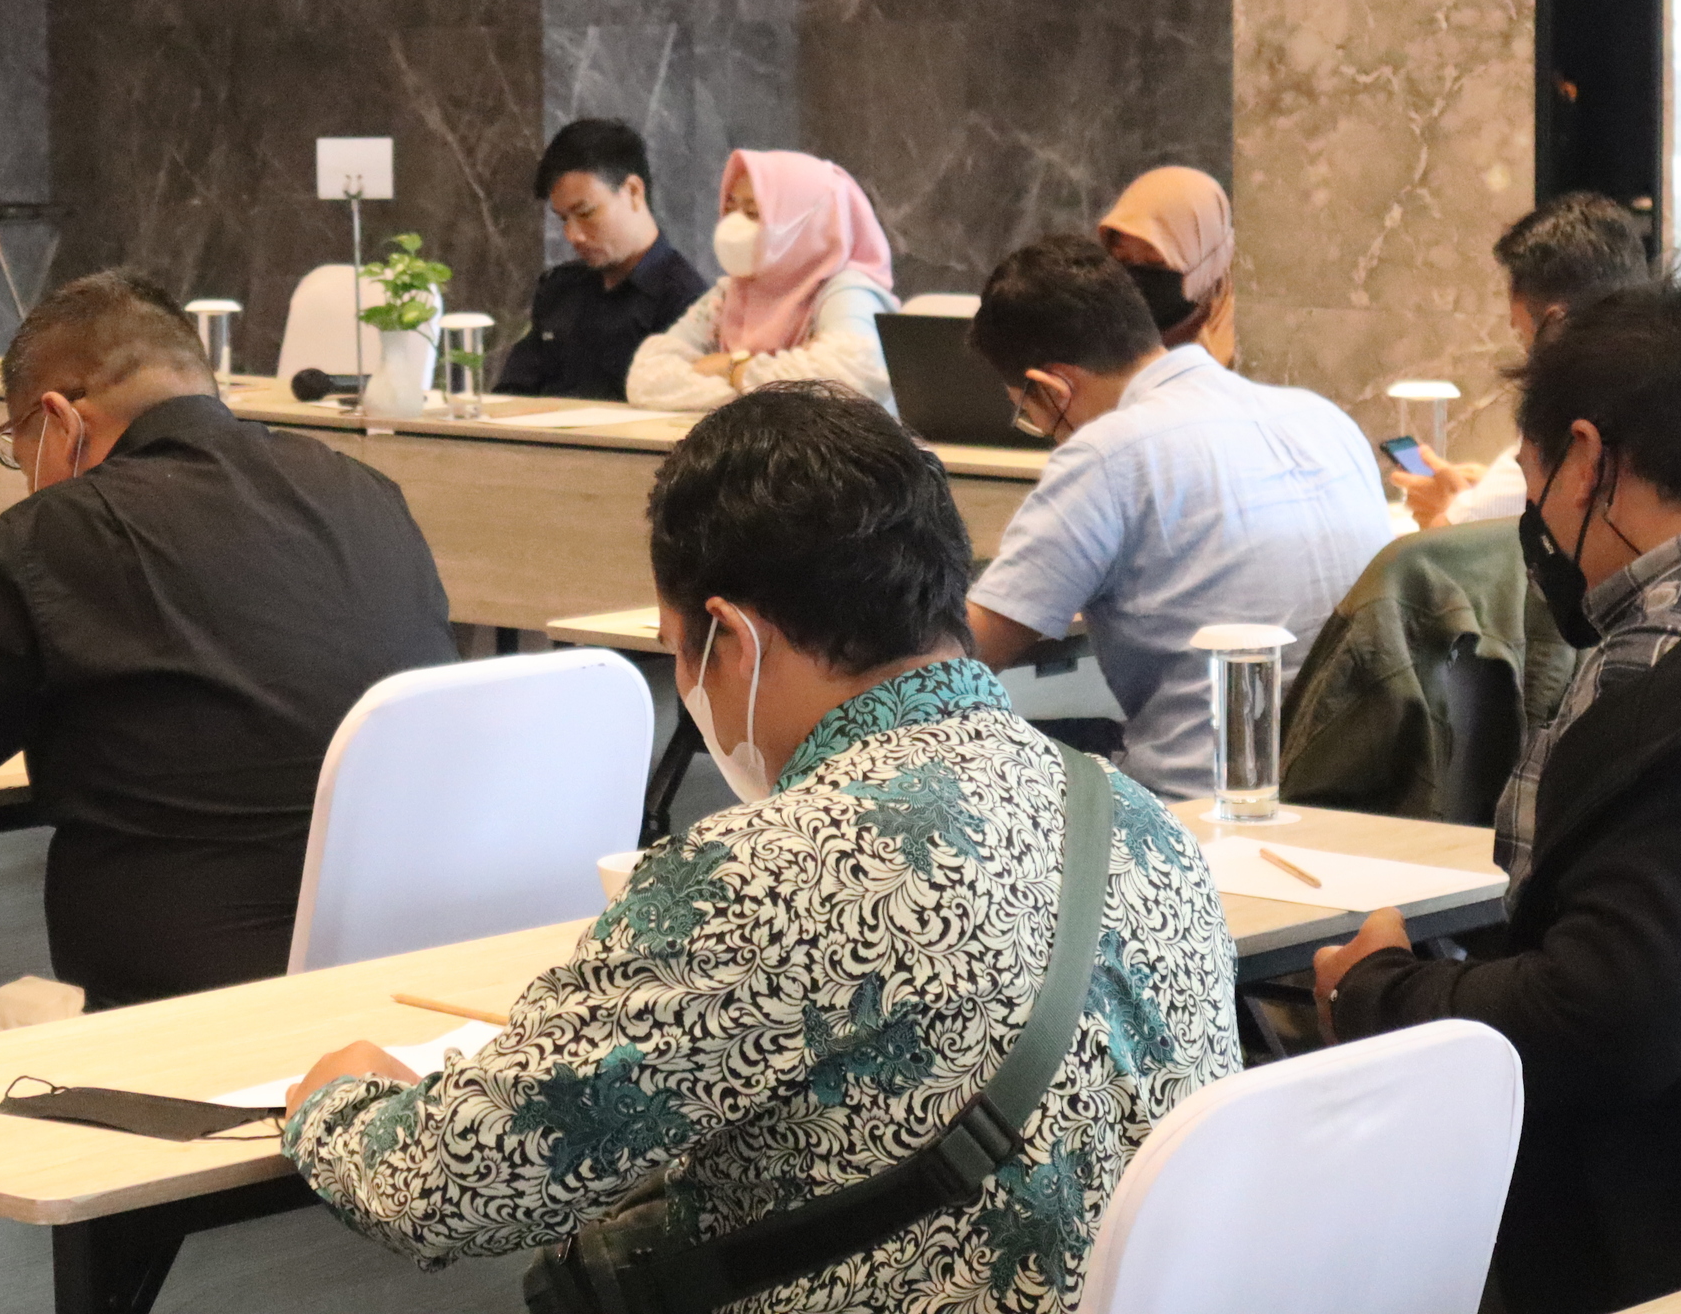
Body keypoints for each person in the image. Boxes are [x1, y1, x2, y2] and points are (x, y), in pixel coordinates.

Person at [281, 385, 1239, 1312]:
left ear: (733, 640)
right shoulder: (1137, 819)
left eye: (676, 647)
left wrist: (337, 1102)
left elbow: (455, 1184)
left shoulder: (770, 871)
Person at [1313, 280, 1681, 1314]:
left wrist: (1379, 991)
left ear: (1586, 458)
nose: (1535, 520)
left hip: (1664, 1240)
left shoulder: (1675, 663)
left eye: (1531, 480)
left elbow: (1612, 1014)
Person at [0, 270, 453, 1007]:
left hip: (175, 1023)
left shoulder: (61, 532)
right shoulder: (365, 492)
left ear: (59, 421)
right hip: (406, 985)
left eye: (19, 451)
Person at [963, 236, 1391, 801]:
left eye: (1029, 413)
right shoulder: (1324, 418)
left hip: (1201, 807)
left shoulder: (1107, 453)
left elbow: (964, 654)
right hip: (1362, 795)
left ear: (1053, 387)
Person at [1402, 190, 1649, 528]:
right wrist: (1488, 487)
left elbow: (1445, 546)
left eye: (1522, 336)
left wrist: (1442, 508)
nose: (1527, 357)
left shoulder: (1568, 428)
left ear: (1555, 327)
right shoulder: (1668, 395)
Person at [628, 149, 899, 411]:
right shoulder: (730, 293)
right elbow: (646, 378)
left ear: (807, 223)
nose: (732, 226)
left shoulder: (846, 291)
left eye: (753, 213)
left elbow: (849, 377)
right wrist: (763, 395)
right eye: (730, 209)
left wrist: (731, 368)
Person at [497, 119, 707, 400]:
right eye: (563, 219)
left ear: (633, 191)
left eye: (586, 213)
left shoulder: (687, 304)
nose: (573, 235)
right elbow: (510, 395)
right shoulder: (559, 288)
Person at [1096, 165, 1236, 365]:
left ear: (1209, 261)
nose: (1137, 278)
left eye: (1157, 263)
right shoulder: (1094, 347)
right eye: (1123, 261)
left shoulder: (1247, 358)